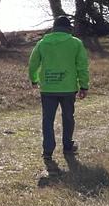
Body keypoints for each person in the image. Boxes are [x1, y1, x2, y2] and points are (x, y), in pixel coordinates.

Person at [28, 15, 90, 160]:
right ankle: (68, 146)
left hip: (48, 88)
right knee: (68, 117)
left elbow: (33, 63)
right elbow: (82, 66)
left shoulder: (42, 43)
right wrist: (84, 85)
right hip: (68, 88)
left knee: (47, 119)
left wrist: (34, 79)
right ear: (69, 28)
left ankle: (48, 150)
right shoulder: (76, 43)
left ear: (54, 28)